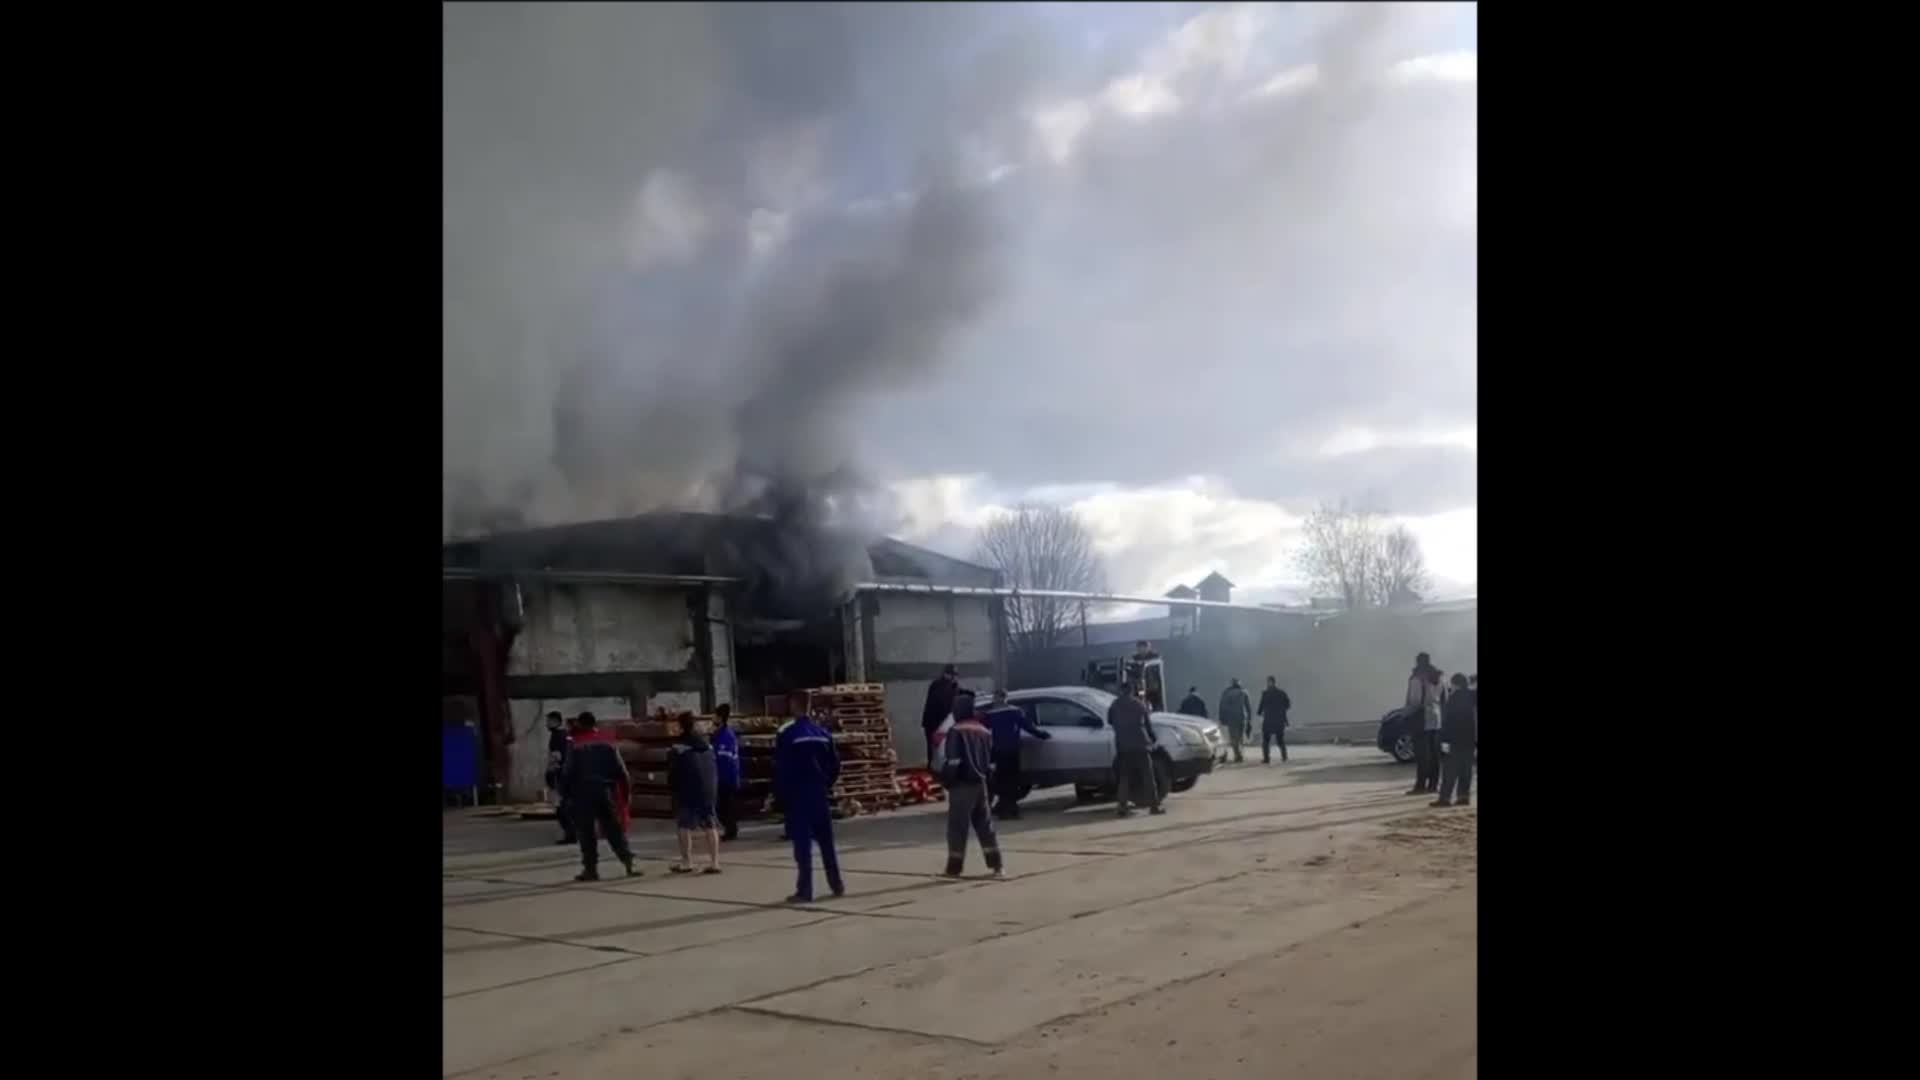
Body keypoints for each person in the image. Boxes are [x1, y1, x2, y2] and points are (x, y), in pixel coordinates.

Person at [776, 699, 844, 902]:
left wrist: (782, 796)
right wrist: (826, 784)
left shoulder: (788, 734)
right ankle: (836, 884)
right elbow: (835, 765)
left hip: (799, 796)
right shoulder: (823, 734)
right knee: (826, 843)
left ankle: (805, 891)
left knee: (803, 846)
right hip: (820, 794)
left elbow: (781, 768)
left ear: (794, 707)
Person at [560, 712, 637, 881]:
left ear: (580, 724)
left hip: (582, 793)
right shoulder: (607, 741)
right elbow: (622, 772)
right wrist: (625, 795)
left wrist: (565, 796)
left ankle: (591, 869)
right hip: (604, 792)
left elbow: (567, 771)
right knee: (613, 829)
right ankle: (629, 862)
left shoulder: (575, 743)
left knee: (586, 833)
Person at [938, 690, 1004, 877]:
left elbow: (953, 762)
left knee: (958, 827)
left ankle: (954, 868)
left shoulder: (956, 731)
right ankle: (997, 865)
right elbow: (990, 761)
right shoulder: (984, 731)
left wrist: (946, 781)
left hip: (962, 785)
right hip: (981, 784)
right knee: (985, 826)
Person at [667, 713, 722, 874]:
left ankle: (687, 862)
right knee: (710, 824)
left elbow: (674, 772)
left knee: (684, 825)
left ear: (681, 726)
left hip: (688, 790)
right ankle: (715, 862)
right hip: (708, 789)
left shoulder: (679, 746)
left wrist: (673, 788)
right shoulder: (707, 744)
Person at [983, 688, 1050, 819]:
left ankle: (1004, 808)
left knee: (1002, 780)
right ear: (1005, 697)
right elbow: (1028, 726)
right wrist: (1042, 735)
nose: (997, 700)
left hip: (998, 752)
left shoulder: (990, 715)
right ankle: (1009, 809)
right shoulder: (1014, 711)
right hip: (1011, 751)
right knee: (1012, 780)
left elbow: (983, 730)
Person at [1107, 682, 1163, 817]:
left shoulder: (1114, 705)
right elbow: (1148, 725)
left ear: (1121, 691)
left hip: (1123, 747)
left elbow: (1109, 721)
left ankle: (1122, 807)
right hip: (1140, 746)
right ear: (1131, 691)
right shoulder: (1139, 704)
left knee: (1124, 778)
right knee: (1148, 777)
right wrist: (1154, 739)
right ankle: (1154, 807)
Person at [1433, 672, 1477, 807]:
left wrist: (1443, 740)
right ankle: (1463, 797)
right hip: (1470, 738)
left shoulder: (1452, 699)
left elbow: (1447, 721)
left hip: (1454, 739)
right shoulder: (1472, 697)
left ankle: (1445, 798)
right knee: (1466, 770)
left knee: (1450, 771)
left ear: (1455, 684)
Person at [1404, 654, 1443, 795]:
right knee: (1434, 754)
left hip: (1421, 718)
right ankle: (1433, 785)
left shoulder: (1417, 679)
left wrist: (1405, 713)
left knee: (1422, 755)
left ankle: (1420, 786)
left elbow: (1415, 702)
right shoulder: (1438, 678)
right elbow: (1443, 697)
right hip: (1436, 717)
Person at [545, 711, 576, 845]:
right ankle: (574, 833)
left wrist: (550, 773)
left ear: (556, 721)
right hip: (571, 774)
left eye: (549, 721)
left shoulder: (556, 736)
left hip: (561, 776)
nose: (547, 724)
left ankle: (571, 834)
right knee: (568, 805)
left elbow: (556, 757)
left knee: (561, 808)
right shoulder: (567, 735)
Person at [921, 664, 960, 769]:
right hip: (935, 723)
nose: (954, 677)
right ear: (947, 674)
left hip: (937, 723)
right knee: (936, 749)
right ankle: (935, 770)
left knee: (937, 749)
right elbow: (943, 704)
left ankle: (936, 769)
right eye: (953, 675)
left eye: (955, 675)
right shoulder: (941, 686)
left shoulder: (943, 685)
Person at [711, 704, 741, 841]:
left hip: (726, 777)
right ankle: (731, 829)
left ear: (720, 717)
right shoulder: (720, 734)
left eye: (715, 715)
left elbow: (723, 759)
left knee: (725, 806)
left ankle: (731, 830)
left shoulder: (726, 736)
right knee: (723, 806)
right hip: (723, 776)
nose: (713, 718)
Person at [1256, 676, 1292, 764]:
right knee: (1280, 740)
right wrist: (1281, 710)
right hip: (1279, 720)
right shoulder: (1281, 693)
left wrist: (1260, 712)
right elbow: (1288, 705)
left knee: (1266, 740)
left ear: (1269, 682)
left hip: (1268, 720)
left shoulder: (1265, 693)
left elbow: (1260, 707)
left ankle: (1266, 758)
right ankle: (1284, 757)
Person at [1217, 679, 1252, 763]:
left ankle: (1237, 754)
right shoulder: (1244, 692)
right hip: (1241, 717)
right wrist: (1249, 719)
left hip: (1231, 718)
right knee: (1240, 737)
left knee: (1233, 737)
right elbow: (1248, 707)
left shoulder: (1226, 693)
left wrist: (1222, 718)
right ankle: (1240, 754)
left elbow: (1222, 706)